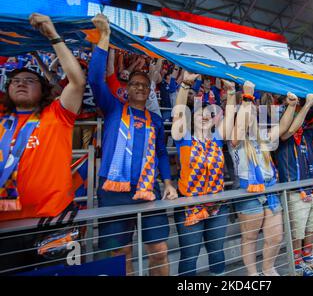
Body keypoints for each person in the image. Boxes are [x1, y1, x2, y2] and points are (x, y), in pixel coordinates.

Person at [86, 14, 178, 276]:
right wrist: (104, 38)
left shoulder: (156, 120)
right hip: (114, 191)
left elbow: (161, 153)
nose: (139, 87)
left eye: (144, 85)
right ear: (126, 89)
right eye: (134, 84)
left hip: (149, 188)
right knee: (120, 253)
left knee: (159, 249)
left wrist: (169, 181)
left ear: (149, 91)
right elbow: (95, 79)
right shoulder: (113, 107)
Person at [0, 13, 86, 272]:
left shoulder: (58, 115)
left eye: (29, 80)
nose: (21, 84)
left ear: (44, 89)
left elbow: (77, 81)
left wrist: (52, 35)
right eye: (15, 81)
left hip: (52, 222)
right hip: (5, 226)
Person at [229, 81, 298, 276]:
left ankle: (268, 269)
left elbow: (284, 126)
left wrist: (292, 106)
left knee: (276, 236)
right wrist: (247, 98)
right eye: (248, 111)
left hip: (270, 188)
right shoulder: (234, 136)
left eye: (253, 111)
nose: (252, 114)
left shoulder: (262, 136)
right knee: (249, 238)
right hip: (248, 189)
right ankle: (252, 275)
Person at [171, 72, 236, 276]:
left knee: (217, 252)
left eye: (209, 115)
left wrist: (232, 91)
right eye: (200, 114)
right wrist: (186, 84)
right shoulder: (184, 139)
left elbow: (231, 112)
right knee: (190, 256)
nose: (205, 116)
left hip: (217, 206)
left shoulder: (217, 139)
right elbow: (179, 113)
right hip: (189, 205)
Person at [277, 94, 313, 275]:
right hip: (294, 190)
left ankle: (308, 254)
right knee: (298, 229)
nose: (300, 120)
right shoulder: (283, 134)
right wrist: (307, 104)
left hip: (311, 188)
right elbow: (290, 129)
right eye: (296, 115)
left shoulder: (307, 133)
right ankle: (296, 260)